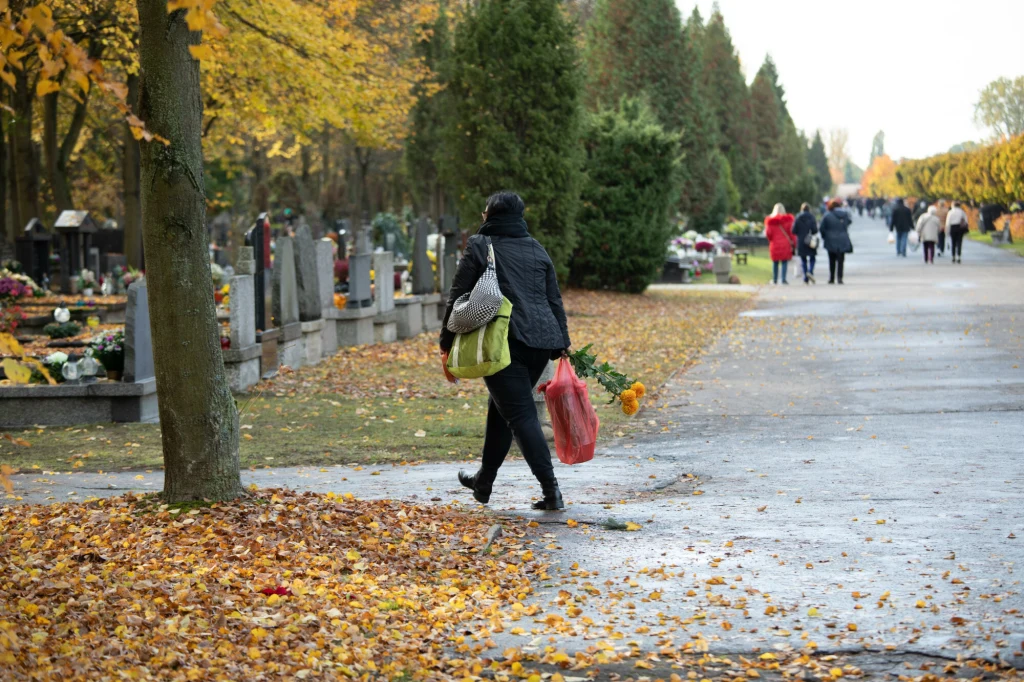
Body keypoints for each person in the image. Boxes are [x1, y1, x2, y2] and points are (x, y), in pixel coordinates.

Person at [440, 191, 571, 511]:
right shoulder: (537, 248)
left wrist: (445, 343)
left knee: (520, 414)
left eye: (484, 212)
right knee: (503, 408)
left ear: (491, 216)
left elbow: (457, 295)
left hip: (505, 342)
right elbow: (554, 299)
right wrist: (562, 343)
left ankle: (552, 490)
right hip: (540, 344)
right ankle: (483, 482)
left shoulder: (481, 246)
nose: (482, 216)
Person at [820, 198, 852, 284]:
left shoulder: (827, 215)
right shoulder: (844, 215)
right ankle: (840, 278)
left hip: (830, 240)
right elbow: (849, 222)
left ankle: (831, 278)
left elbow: (822, 228)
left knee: (831, 260)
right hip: (842, 239)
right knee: (841, 260)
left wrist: (825, 237)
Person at [764, 203, 796, 285]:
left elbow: (768, 234)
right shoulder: (788, 220)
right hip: (785, 243)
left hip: (774, 243)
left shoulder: (770, 221)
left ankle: (775, 279)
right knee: (784, 261)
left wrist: (771, 239)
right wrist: (794, 243)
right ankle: (783, 279)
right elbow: (791, 233)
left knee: (775, 262)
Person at [791, 202, 819, 284]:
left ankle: (805, 277)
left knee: (803, 259)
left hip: (801, 241)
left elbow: (793, 230)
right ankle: (810, 271)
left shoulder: (798, 217)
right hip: (810, 240)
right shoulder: (812, 217)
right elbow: (815, 230)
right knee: (812, 258)